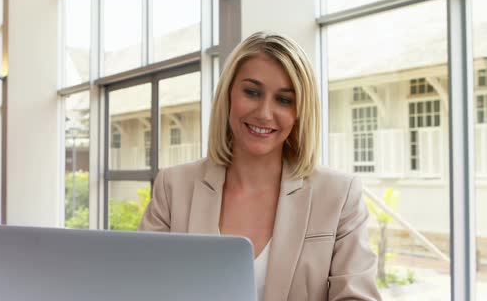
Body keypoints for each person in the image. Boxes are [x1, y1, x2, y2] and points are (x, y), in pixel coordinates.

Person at [138, 31, 381, 301]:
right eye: (252, 92)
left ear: (300, 112)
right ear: (229, 95)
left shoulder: (339, 194)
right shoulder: (173, 187)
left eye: (284, 100)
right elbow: (142, 288)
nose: (264, 113)